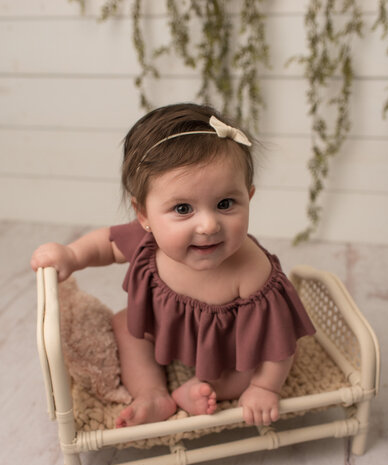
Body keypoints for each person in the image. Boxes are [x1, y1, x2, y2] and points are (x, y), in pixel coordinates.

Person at [31, 103, 315, 429]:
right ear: (144, 215)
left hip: (226, 351)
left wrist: (265, 388)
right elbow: (107, 243)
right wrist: (72, 256)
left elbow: (279, 343)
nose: (208, 225)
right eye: (183, 208)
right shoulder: (148, 241)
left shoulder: (253, 272)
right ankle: (152, 393)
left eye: (225, 204)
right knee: (126, 326)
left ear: (249, 197)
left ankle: (199, 390)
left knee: (247, 372)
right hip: (165, 331)